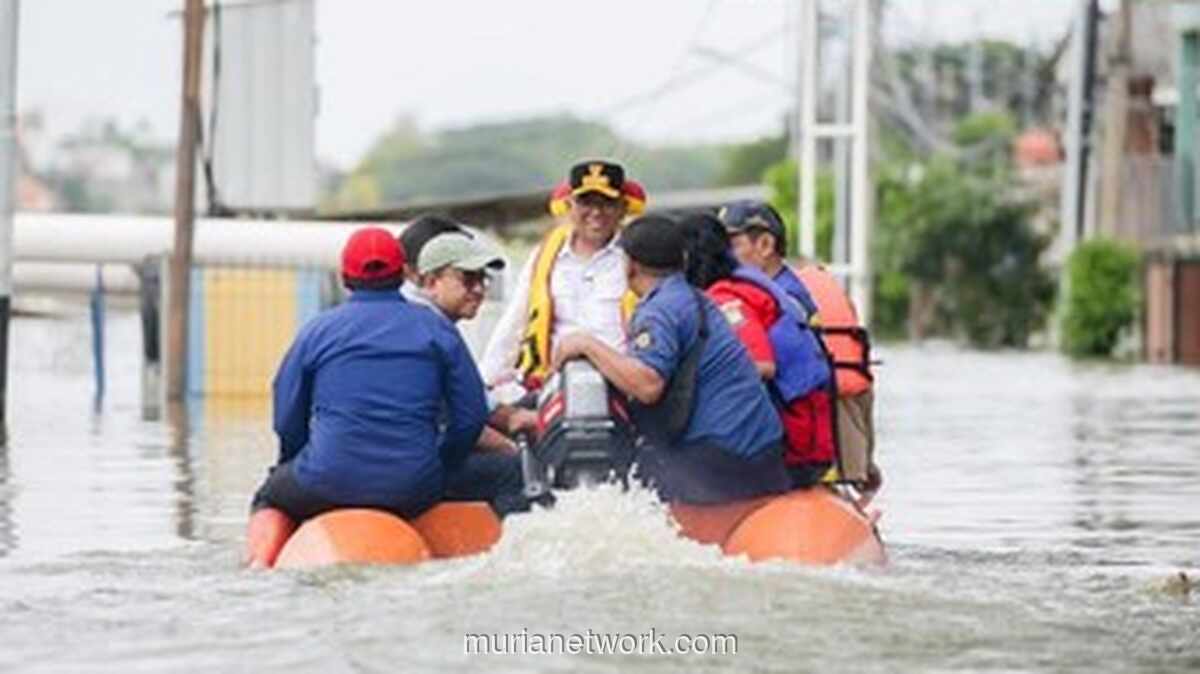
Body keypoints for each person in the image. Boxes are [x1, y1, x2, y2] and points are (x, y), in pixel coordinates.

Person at [250, 226, 530, 523]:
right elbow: (471, 417)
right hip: (414, 488)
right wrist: (443, 460)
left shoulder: (317, 331)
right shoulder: (436, 330)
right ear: (403, 275)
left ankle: (264, 561)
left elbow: (286, 416)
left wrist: (297, 461)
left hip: (325, 481)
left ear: (345, 278)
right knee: (511, 472)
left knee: (268, 494)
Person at [551, 215, 791, 505]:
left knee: (614, 482)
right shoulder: (692, 297)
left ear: (630, 265)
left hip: (725, 459)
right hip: (761, 451)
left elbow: (648, 385)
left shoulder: (660, 309)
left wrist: (585, 343)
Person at [680, 212, 836, 488]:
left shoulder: (727, 298)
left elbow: (763, 365)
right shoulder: (748, 283)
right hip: (807, 433)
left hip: (795, 446)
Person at [481, 160, 639, 394]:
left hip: (622, 386)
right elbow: (516, 319)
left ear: (623, 208)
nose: (596, 213)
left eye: (607, 203)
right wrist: (486, 380)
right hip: (554, 384)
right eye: (586, 202)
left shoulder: (636, 254)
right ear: (569, 205)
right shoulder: (544, 255)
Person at [412, 231, 541, 454]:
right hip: (415, 458)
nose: (479, 289)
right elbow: (462, 418)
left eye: (483, 279)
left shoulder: (425, 322)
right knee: (518, 474)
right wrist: (512, 449)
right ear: (432, 282)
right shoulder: (430, 331)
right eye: (468, 279)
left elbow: (478, 404)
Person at [718, 200, 819, 319]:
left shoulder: (785, 301)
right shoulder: (774, 293)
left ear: (765, 245)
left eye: (732, 245)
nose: (723, 254)